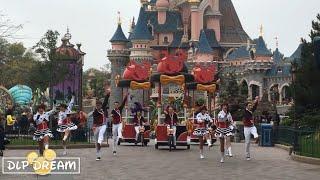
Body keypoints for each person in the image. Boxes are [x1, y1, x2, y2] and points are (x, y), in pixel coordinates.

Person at [92, 92, 110, 161]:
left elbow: (105, 101)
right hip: (97, 126)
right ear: (96, 106)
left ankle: (100, 142)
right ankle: (98, 155)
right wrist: (94, 126)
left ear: (101, 105)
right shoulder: (95, 112)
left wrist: (107, 94)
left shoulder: (103, 109)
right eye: (97, 105)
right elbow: (94, 120)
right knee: (96, 141)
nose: (98, 106)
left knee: (101, 134)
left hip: (103, 125)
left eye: (99, 105)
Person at [243, 96, 259, 161]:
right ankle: (247, 155)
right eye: (249, 105)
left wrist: (256, 100)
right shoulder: (245, 112)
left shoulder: (251, 110)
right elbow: (247, 116)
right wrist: (250, 119)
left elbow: (254, 107)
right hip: (246, 128)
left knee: (255, 133)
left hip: (252, 126)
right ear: (246, 106)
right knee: (247, 142)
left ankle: (256, 137)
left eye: (250, 105)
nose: (250, 106)